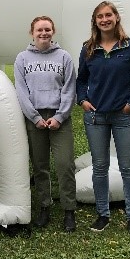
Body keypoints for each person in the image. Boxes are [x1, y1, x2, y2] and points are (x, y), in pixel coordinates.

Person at [76, 1, 130, 236]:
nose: (104, 19)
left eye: (108, 15)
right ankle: (103, 214)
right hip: (96, 117)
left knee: (128, 168)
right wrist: (82, 100)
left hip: (124, 117)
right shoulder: (88, 48)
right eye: (100, 16)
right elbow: (81, 80)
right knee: (100, 168)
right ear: (95, 21)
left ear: (116, 18)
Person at [14, 16, 78, 232]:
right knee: (40, 167)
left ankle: (69, 210)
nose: (44, 33)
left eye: (48, 29)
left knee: (64, 164)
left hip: (61, 118)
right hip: (35, 119)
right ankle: (44, 206)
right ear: (32, 32)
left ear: (53, 31)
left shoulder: (64, 57)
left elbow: (70, 89)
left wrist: (59, 117)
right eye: (39, 30)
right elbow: (21, 91)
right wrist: (34, 117)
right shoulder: (22, 58)